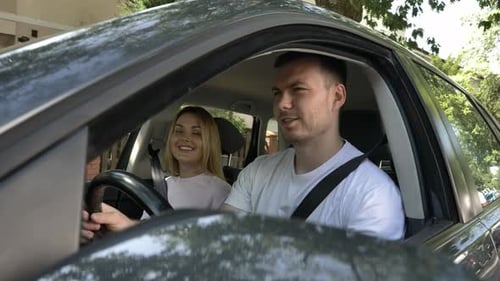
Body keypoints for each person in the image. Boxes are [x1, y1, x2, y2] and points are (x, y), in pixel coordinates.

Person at [222, 52, 405, 240]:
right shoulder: (257, 171)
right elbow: (222, 242)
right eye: (277, 93)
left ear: (337, 96)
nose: (282, 104)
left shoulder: (372, 194)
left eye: (298, 89)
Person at [82, 106, 231, 240]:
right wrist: (111, 221)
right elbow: (147, 230)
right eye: (178, 131)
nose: (185, 138)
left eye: (196, 133)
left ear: (209, 142)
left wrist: (126, 225)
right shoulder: (164, 184)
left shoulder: (221, 191)